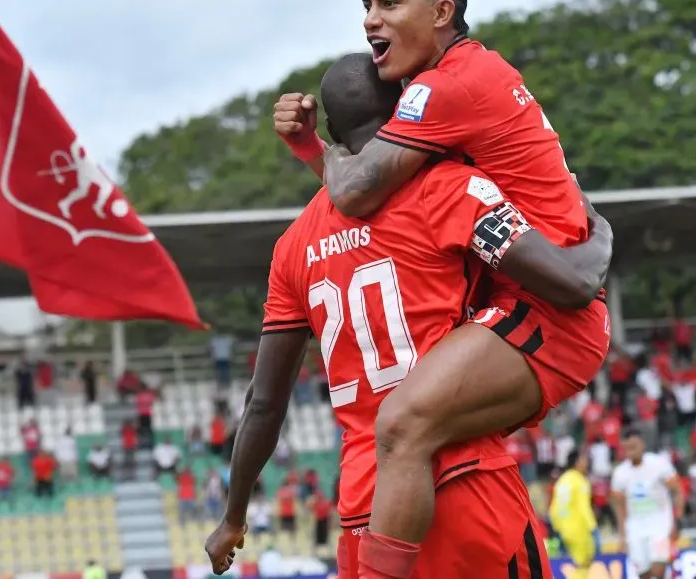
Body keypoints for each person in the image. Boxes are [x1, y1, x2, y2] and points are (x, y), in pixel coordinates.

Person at [272, 0, 613, 561]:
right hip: (528, 297)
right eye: (366, 5)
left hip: (547, 311)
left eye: (389, 2)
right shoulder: (468, 80)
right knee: (419, 434)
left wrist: (313, 146)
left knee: (402, 425)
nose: (371, 18)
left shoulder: (443, 89)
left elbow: (352, 191)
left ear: (441, 12)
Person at [206, 53, 606, 578]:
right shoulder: (448, 188)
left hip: (365, 506)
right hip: (461, 480)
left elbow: (263, 402)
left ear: (330, 129)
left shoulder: (293, 249)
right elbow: (559, 278)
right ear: (407, 112)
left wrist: (233, 517)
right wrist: (600, 234)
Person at [610, 428, 685, 579]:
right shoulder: (620, 473)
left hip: (660, 524)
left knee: (658, 569)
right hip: (635, 527)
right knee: (643, 573)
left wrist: (678, 519)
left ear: (642, 445)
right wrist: (622, 536)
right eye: (627, 448)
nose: (630, 451)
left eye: (634, 447)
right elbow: (618, 506)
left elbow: (678, 490)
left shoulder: (659, 464)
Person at [550, 450, 597, 579]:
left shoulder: (562, 480)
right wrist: (592, 527)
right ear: (576, 463)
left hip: (565, 529)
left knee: (577, 564)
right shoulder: (580, 481)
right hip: (579, 528)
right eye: (583, 459)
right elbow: (584, 507)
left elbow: (554, 508)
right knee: (584, 564)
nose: (586, 462)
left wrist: (558, 527)